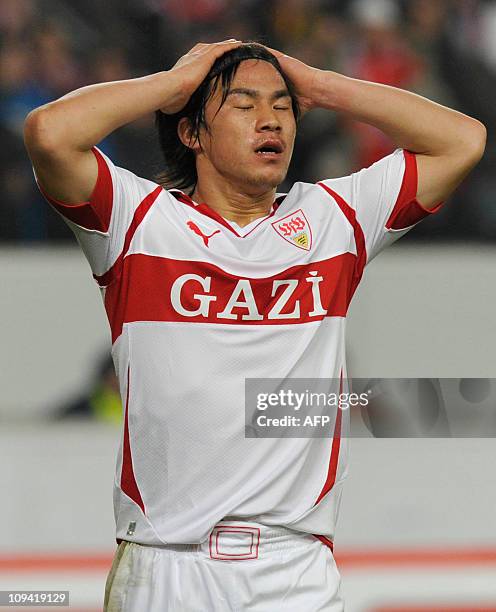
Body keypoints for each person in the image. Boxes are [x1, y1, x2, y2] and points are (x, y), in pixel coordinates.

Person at [24, 40, 485, 611]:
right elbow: (49, 132)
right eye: (243, 105)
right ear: (192, 133)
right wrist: (173, 84)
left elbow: (463, 141)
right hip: (166, 567)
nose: (270, 120)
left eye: (282, 107)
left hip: (294, 572)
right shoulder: (138, 220)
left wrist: (321, 86)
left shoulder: (334, 219)